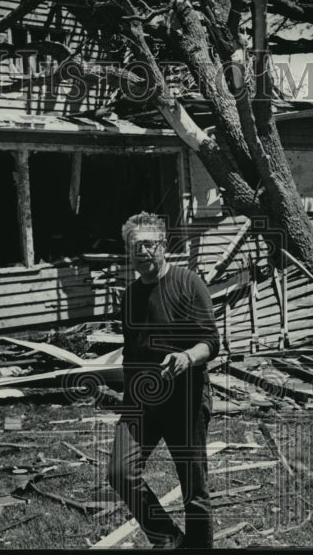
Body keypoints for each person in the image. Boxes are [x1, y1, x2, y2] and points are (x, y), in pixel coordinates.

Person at [106, 212, 219, 549]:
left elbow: (211, 342)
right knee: (120, 473)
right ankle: (168, 538)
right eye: (134, 246)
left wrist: (187, 357)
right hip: (143, 403)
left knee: (194, 489)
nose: (142, 252)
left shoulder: (188, 284)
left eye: (148, 244)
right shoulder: (129, 296)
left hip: (186, 400)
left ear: (163, 245)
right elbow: (131, 354)